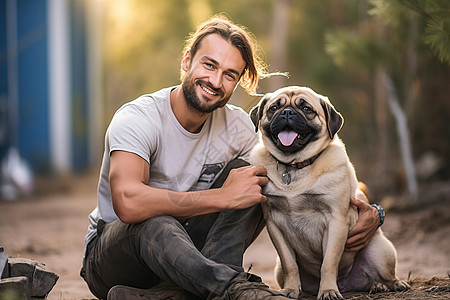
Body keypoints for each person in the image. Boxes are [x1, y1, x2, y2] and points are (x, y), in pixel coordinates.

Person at [80, 15, 382, 300]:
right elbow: (129, 203)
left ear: (237, 82)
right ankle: (234, 290)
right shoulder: (138, 119)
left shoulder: (237, 126)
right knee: (157, 222)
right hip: (116, 255)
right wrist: (222, 197)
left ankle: (175, 294)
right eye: (209, 65)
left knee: (255, 175)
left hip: (194, 259)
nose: (215, 80)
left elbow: (312, 169)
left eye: (229, 75)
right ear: (187, 60)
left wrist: (372, 211)